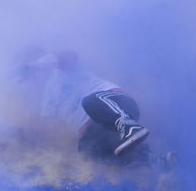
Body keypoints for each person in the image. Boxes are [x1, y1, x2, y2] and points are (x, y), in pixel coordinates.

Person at [19, 50, 150, 162]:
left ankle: (130, 127)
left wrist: (35, 65)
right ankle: (152, 160)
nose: (31, 78)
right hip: (101, 128)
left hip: (119, 105)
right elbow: (56, 130)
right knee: (87, 150)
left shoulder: (62, 73)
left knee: (90, 101)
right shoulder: (47, 102)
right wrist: (21, 134)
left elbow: (66, 55)